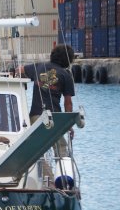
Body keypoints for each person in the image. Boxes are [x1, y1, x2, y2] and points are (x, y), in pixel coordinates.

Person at [17, 44, 76, 182]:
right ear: (68, 60)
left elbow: (19, 70)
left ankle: (48, 180)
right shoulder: (65, 75)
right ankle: (64, 180)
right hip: (54, 118)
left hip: (35, 116)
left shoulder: (38, 67)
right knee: (61, 149)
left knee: (37, 152)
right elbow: (68, 103)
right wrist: (69, 125)